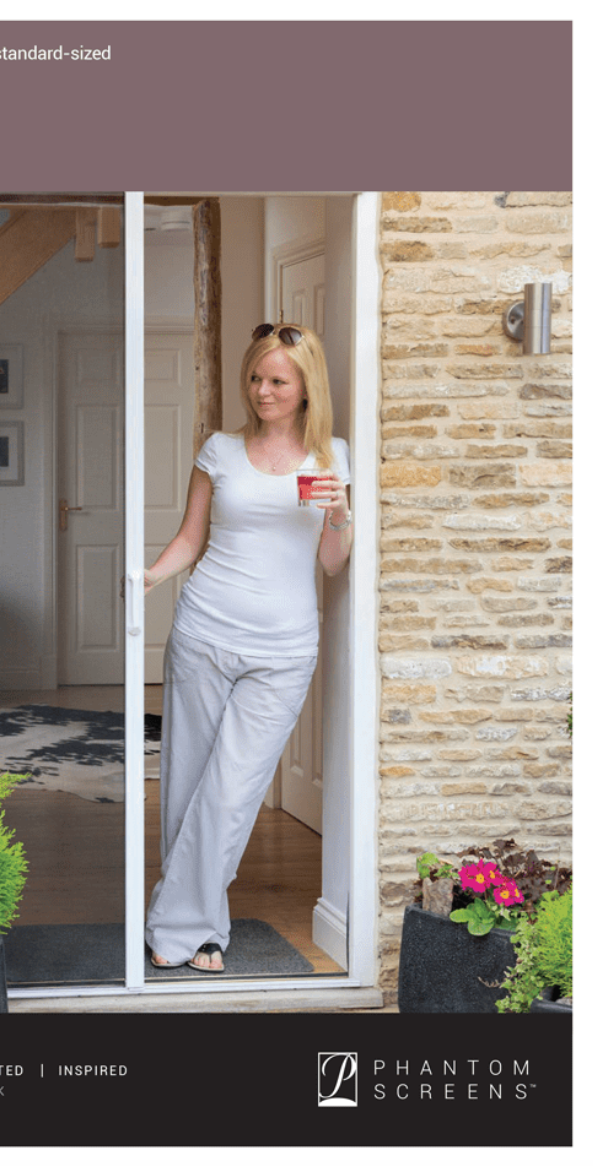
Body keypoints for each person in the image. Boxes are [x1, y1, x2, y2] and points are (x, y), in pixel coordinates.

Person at [143, 322, 353, 973]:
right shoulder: (220, 450)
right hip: (205, 631)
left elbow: (333, 564)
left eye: (277, 381)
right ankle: (202, 928)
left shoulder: (332, 458)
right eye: (256, 378)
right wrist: (147, 577)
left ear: (305, 386)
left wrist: (342, 513)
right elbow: (191, 537)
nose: (263, 390)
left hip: (285, 648)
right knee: (188, 782)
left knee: (232, 792)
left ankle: (174, 923)